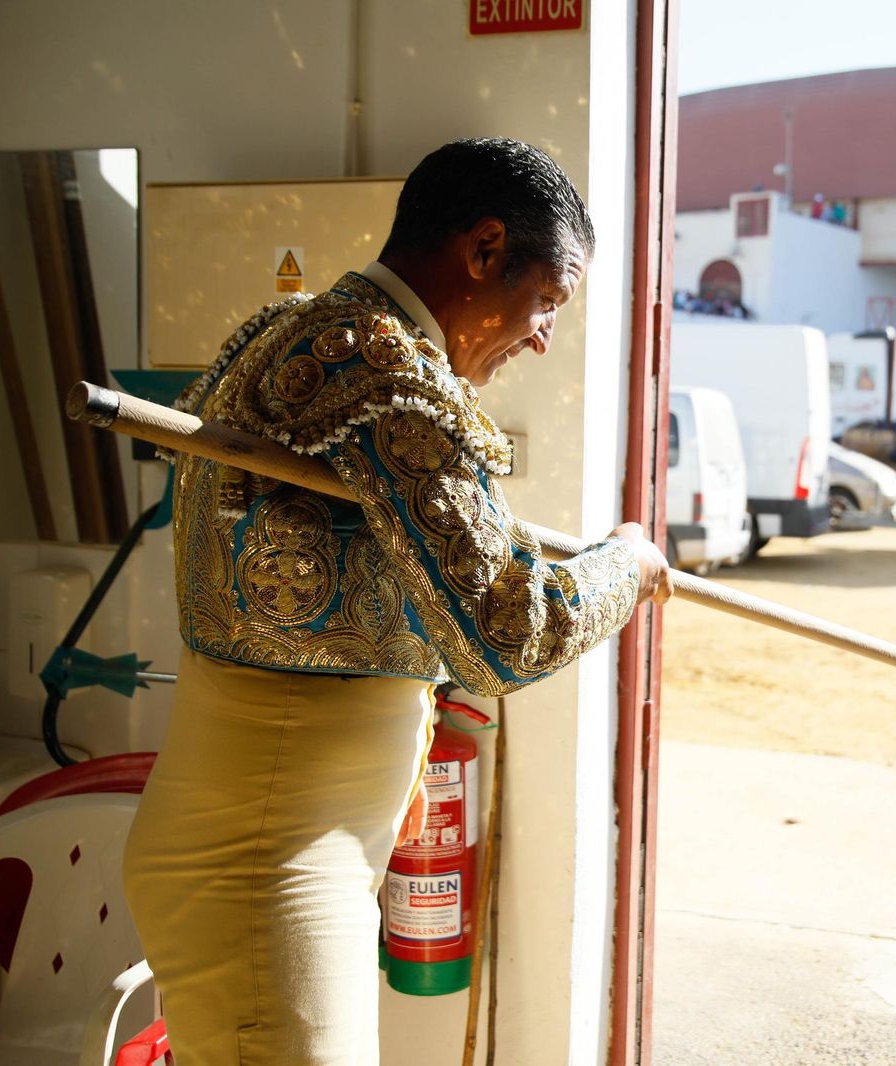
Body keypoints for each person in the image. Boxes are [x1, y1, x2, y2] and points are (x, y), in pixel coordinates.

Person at [123, 138, 672, 1065]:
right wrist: (628, 563)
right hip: (271, 872)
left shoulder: (291, 328)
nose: (543, 335)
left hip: (258, 850)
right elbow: (510, 634)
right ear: (486, 248)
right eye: (547, 301)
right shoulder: (388, 374)